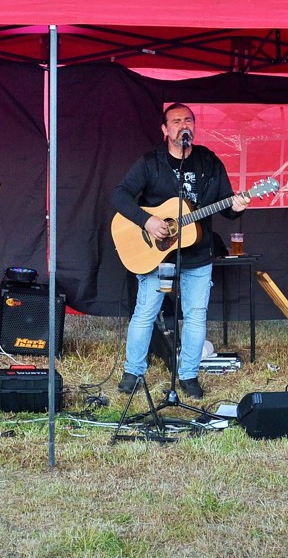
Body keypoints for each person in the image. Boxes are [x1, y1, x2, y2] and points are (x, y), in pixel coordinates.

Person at [111, 103, 250, 399]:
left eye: (188, 120)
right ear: (165, 129)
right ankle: (133, 372)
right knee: (145, 311)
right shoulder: (151, 162)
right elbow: (119, 195)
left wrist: (237, 207)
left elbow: (227, 207)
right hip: (157, 253)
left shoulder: (209, 162)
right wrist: (147, 221)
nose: (183, 125)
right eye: (176, 121)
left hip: (197, 253)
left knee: (196, 315)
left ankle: (188, 376)